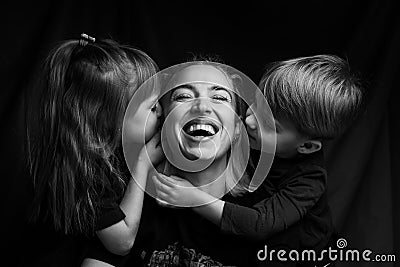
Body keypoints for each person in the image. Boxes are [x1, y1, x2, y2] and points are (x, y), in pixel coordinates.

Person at [154, 55, 365, 266]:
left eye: (268, 124)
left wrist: (193, 198)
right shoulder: (255, 144)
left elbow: (259, 224)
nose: (249, 121)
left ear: (307, 147)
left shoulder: (309, 180)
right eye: (256, 105)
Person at [82, 61, 257, 267]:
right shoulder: (131, 207)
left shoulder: (265, 213)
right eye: (183, 96)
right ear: (162, 124)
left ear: (238, 128)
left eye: (219, 97)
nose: (201, 106)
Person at [26, 33, 163, 259]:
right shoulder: (85, 170)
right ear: (113, 119)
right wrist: (143, 165)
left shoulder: (117, 148)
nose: (161, 113)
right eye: (152, 108)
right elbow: (122, 242)